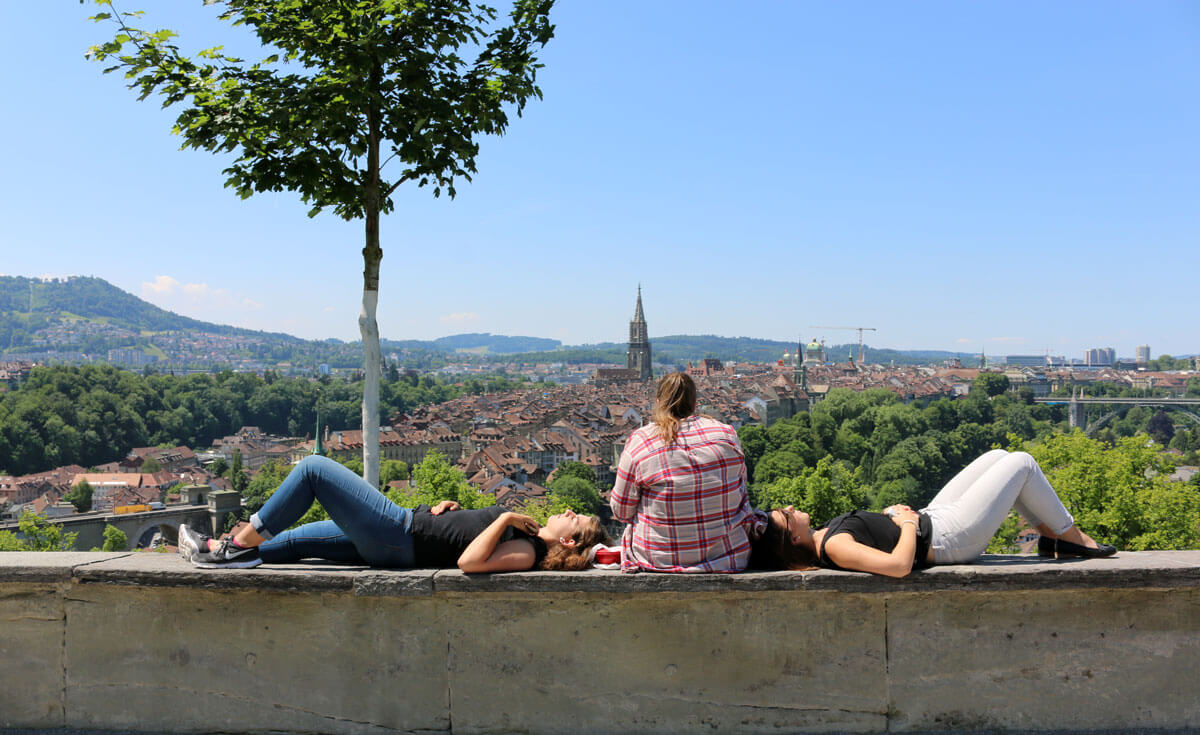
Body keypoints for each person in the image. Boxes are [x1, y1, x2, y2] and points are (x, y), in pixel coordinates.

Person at [177, 454, 608, 572]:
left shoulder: (530, 552)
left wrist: (502, 519)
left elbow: (469, 562)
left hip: (396, 532)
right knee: (296, 542)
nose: (568, 510)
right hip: (398, 537)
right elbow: (464, 539)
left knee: (312, 470)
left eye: (575, 518)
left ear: (569, 541)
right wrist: (448, 511)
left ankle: (233, 546)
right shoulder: (528, 537)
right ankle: (222, 552)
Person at [750, 449, 1116, 577]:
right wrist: (907, 524)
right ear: (793, 538)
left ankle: (1051, 536)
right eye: (786, 514)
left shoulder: (827, 536)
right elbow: (898, 567)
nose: (791, 507)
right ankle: (1069, 537)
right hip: (948, 538)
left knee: (998, 458)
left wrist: (893, 516)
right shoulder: (833, 546)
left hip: (934, 520)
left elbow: (877, 538)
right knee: (1021, 464)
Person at [610, 372, 759, 573]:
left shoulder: (641, 441)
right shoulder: (727, 434)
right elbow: (741, 491)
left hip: (658, 560)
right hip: (728, 556)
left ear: (659, 402)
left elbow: (621, 511)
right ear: (695, 403)